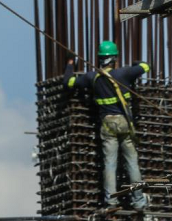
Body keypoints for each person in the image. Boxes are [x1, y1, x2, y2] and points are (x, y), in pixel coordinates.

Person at [63, 41, 151, 214]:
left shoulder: (92, 78)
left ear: (100, 58)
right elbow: (145, 66)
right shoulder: (124, 73)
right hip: (124, 124)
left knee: (110, 164)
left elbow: (69, 82)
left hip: (107, 125)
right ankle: (139, 202)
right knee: (132, 162)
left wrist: (71, 63)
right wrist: (135, 64)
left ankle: (111, 202)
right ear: (114, 59)